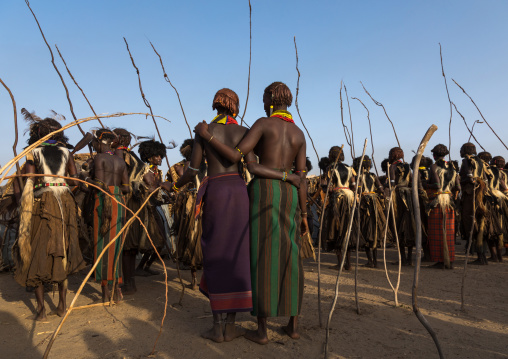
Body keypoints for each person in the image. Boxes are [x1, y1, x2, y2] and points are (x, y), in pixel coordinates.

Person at [195, 81, 307, 344]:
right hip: (291, 194)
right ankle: (293, 326)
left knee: (262, 256)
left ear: (270, 99)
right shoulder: (299, 133)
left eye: (264, 97)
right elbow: (301, 178)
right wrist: (303, 214)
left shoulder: (262, 124)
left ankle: (262, 330)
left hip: (264, 192)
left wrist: (207, 134)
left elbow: (241, 160)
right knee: (291, 254)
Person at [164, 89, 261, 342]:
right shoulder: (244, 132)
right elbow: (252, 166)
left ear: (216, 105)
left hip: (216, 191)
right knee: (237, 253)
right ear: (235, 107)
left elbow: (192, 169)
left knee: (214, 251)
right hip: (239, 193)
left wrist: (173, 186)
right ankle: (231, 325)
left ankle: (217, 327)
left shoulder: (203, 131)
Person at [14, 113, 85, 320]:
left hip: (42, 203)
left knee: (38, 249)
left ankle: (41, 310)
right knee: (62, 248)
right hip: (65, 202)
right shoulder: (66, 152)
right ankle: (62, 306)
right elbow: (74, 182)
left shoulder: (32, 152)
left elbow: (29, 179)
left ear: (38, 133)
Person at [85, 129, 130, 302]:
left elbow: (100, 185)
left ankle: (105, 292)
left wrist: (86, 180)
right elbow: (126, 188)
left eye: (94, 144)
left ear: (100, 143)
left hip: (104, 202)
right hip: (119, 202)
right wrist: (115, 189)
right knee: (117, 243)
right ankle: (116, 290)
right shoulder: (120, 161)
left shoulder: (99, 158)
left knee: (103, 244)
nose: (94, 147)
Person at [112, 128, 146, 295]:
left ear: (117, 139)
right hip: (136, 200)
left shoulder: (120, 154)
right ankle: (130, 283)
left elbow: (120, 178)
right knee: (130, 245)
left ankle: (127, 284)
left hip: (125, 199)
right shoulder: (134, 156)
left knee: (126, 244)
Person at [135, 140, 169, 276]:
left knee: (161, 241)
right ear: (149, 157)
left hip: (156, 207)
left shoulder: (158, 172)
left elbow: (157, 191)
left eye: (160, 156)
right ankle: (140, 267)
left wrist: (166, 197)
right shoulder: (145, 170)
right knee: (155, 240)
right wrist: (162, 185)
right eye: (157, 156)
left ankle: (145, 266)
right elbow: (150, 188)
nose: (160, 158)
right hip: (147, 209)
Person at [426, 145, 460, 269]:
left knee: (437, 232)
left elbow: (437, 185)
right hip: (449, 203)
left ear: (434, 155)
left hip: (437, 201)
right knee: (449, 232)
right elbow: (458, 187)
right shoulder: (453, 167)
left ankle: (441, 261)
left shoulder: (434, 166)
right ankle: (449, 260)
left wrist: (425, 184)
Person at [325, 146, 357, 270]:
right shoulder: (349, 169)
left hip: (337, 200)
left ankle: (340, 263)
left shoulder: (330, 169)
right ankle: (348, 263)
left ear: (331, 156)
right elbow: (354, 186)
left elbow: (329, 187)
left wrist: (328, 190)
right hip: (349, 198)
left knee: (336, 229)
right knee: (348, 228)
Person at [353, 155, 386, 268]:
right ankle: (375, 261)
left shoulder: (358, 176)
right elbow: (381, 189)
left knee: (365, 229)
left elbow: (358, 189)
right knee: (374, 229)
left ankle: (370, 261)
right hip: (374, 203)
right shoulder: (373, 176)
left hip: (364, 204)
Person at [459, 142, 487, 264]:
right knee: (480, 223)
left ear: (465, 150)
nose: (459, 152)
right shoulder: (481, 162)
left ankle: (480, 256)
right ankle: (482, 256)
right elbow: (485, 178)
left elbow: (470, 178)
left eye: (461, 149)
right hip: (482, 195)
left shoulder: (466, 161)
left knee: (471, 222)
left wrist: (463, 181)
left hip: (472, 195)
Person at [388, 147, 416, 266]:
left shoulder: (392, 167)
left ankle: (403, 258)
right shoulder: (408, 166)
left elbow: (392, 183)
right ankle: (409, 258)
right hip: (408, 195)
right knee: (409, 224)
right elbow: (411, 182)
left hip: (398, 196)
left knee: (398, 224)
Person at [478, 152, 504, 262]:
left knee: (489, 229)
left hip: (488, 199)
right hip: (500, 199)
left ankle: (494, 255)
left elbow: (483, 183)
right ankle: (499, 256)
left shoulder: (483, 168)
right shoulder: (500, 172)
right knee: (498, 228)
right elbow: (504, 186)